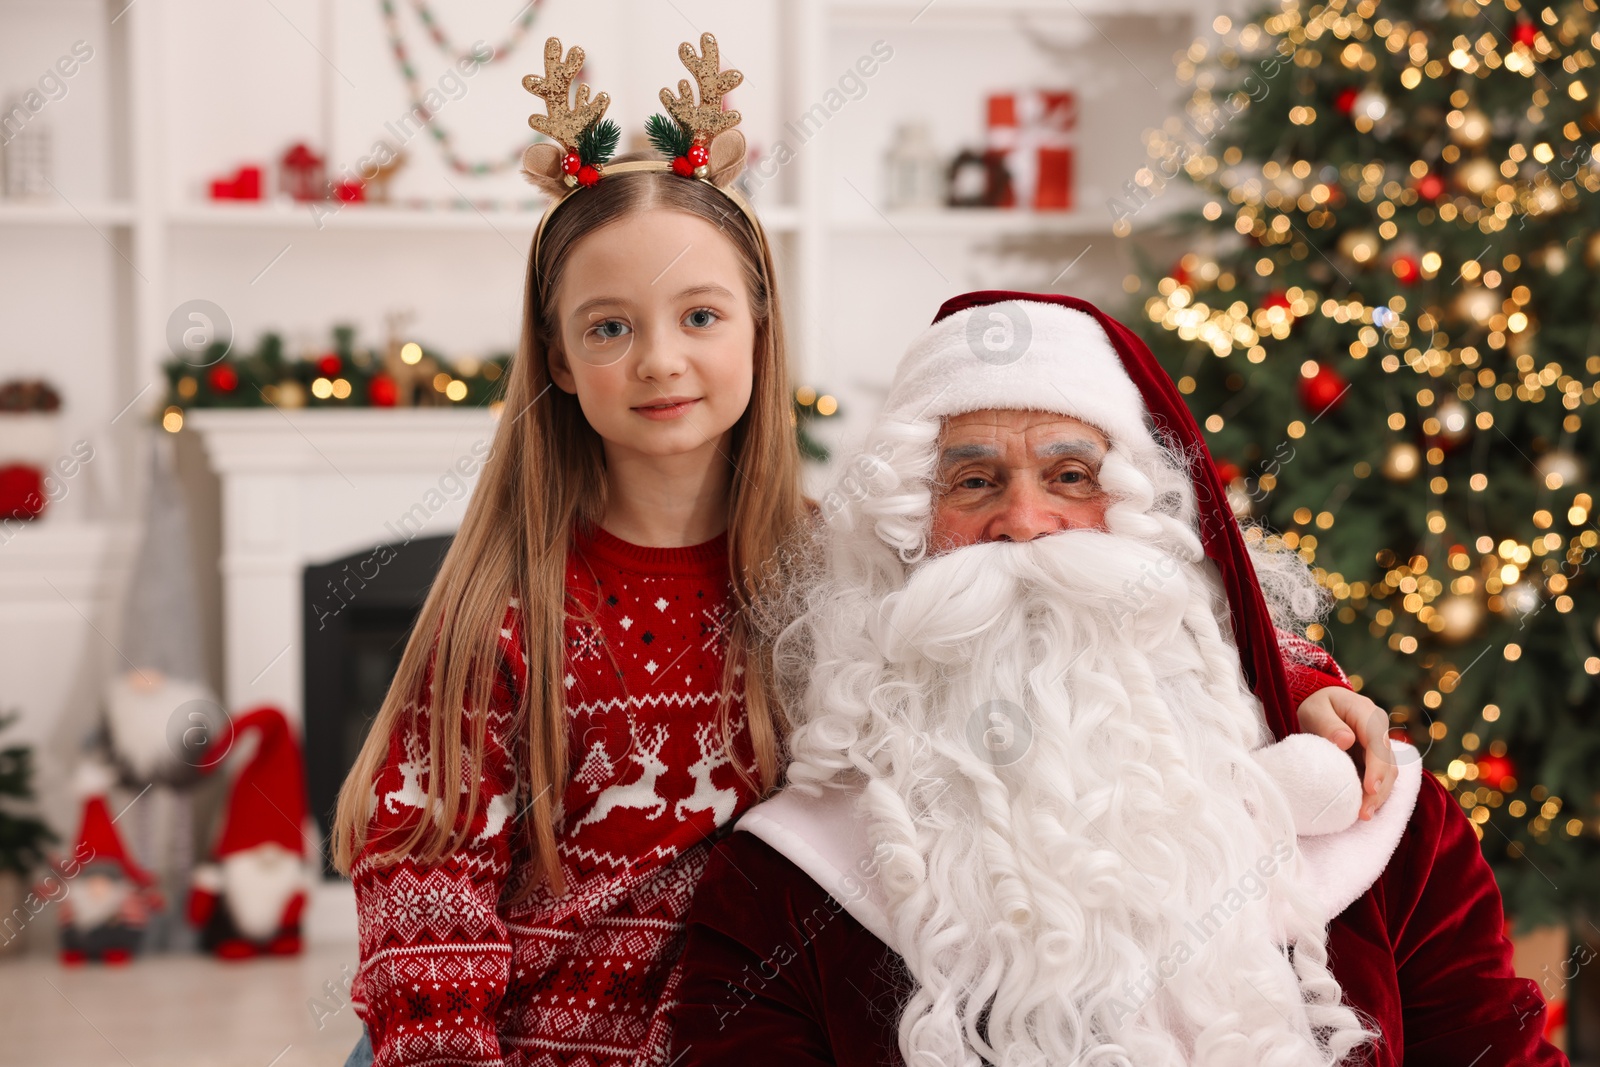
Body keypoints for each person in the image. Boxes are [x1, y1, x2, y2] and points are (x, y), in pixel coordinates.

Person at [666, 292, 1567, 1067]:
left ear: (1152, 531)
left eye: (1072, 475)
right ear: (908, 541)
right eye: (973, 482)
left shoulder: (1373, 819)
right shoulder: (785, 884)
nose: (1027, 522)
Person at [329, 35, 808, 1067]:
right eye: (607, 328)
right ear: (558, 355)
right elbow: (425, 877)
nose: (659, 359)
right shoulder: (504, 604)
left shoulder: (828, 581)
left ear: (759, 330)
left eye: (700, 314)